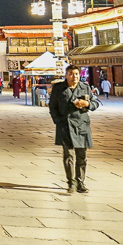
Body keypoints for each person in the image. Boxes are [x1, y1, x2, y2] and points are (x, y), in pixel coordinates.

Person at [49, 65, 100, 194]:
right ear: (66, 75)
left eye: (76, 74)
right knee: (69, 156)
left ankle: (81, 182)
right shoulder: (58, 88)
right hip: (65, 126)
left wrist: (87, 104)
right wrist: (58, 121)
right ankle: (71, 182)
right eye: (71, 74)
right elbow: (52, 107)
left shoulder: (85, 87)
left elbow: (96, 103)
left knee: (82, 156)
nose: (74, 76)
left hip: (82, 126)